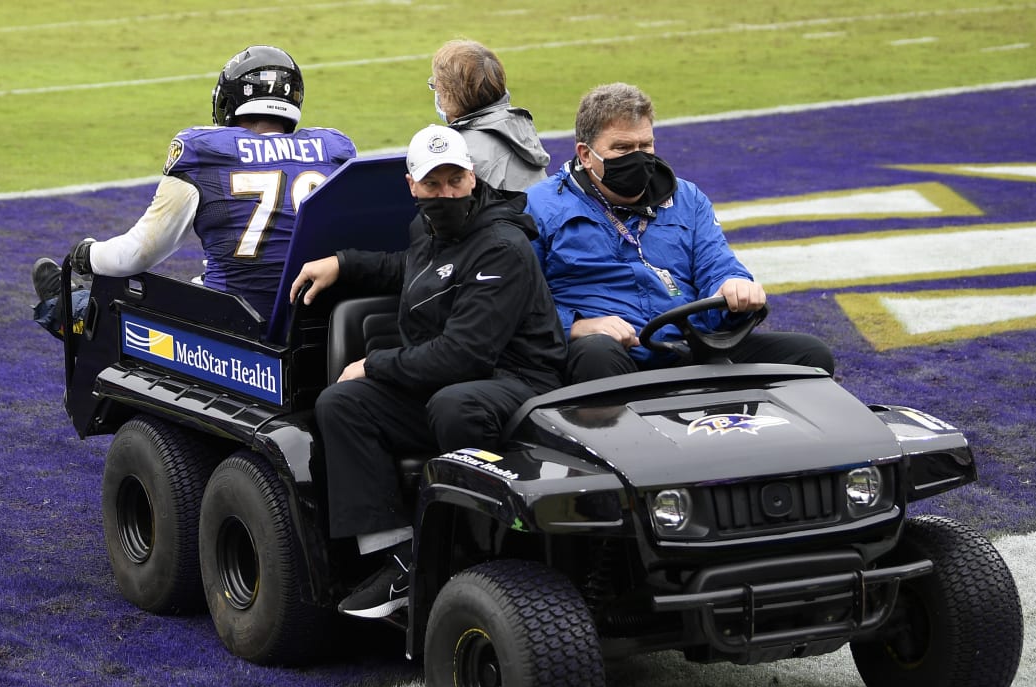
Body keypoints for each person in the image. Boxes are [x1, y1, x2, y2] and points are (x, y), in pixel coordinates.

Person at [289, 125, 565, 618]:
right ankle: (398, 558)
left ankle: (478, 553)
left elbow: (465, 356)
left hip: (519, 384)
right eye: (432, 184)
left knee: (454, 402)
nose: (445, 194)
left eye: (454, 181)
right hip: (450, 382)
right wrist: (342, 262)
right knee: (342, 404)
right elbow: (412, 269)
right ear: (412, 186)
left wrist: (374, 363)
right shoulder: (427, 231)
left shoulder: (502, 247)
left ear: (472, 179)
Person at [30, 45, 357, 338]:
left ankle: (67, 313)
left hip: (235, 321)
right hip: (318, 319)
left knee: (125, 300)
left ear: (229, 100)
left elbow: (136, 254)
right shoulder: (334, 150)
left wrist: (88, 254)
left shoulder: (205, 151)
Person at [524, 83, 834, 382]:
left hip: (690, 346)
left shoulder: (688, 197)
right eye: (622, 148)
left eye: (645, 145)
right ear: (585, 154)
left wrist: (734, 284)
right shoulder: (539, 207)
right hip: (614, 353)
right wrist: (576, 327)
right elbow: (521, 303)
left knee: (809, 356)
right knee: (595, 354)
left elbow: (718, 265)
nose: (638, 156)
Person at [428, 39, 549, 191]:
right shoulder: (519, 126)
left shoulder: (460, 150)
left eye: (436, 86)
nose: (437, 93)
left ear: (450, 93)